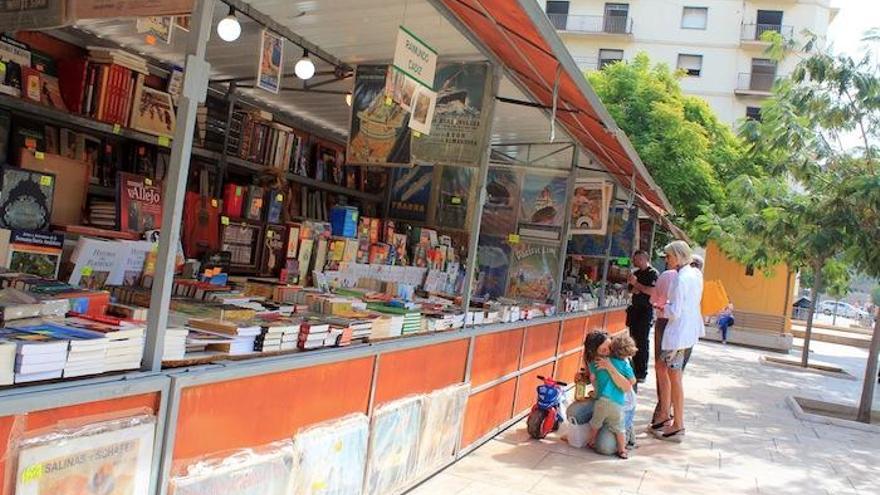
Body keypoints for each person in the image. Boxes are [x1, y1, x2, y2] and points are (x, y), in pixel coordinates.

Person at [654, 240, 704, 442]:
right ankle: (667, 414)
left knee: (673, 376)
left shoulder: (680, 279)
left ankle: (677, 423)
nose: (667, 260)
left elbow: (674, 311)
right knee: (665, 370)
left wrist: (662, 309)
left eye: (668, 256)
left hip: (677, 334)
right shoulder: (695, 274)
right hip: (688, 331)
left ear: (678, 255)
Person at [584, 331, 637, 459]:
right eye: (603, 350)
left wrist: (609, 368)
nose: (607, 351)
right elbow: (633, 381)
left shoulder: (615, 361)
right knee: (618, 428)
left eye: (609, 348)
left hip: (618, 404)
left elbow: (627, 386)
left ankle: (591, 441)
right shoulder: (618, 362)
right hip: (616, 402)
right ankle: (622, 450)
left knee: (599, 433)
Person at [649, 258, 677, 432]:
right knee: (675, 371)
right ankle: (669, 410)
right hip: (683, 329)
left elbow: (655, 301)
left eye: (668, 256)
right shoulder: (694, 279)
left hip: (665, 322)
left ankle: (662, 412)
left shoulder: (667, 276)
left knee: (661, 368)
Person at [626, 250, 658, 383]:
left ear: (644, 259)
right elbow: (631, 290)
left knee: (642, 341)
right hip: (635, 310)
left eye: (637, 259)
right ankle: (633, 368)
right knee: (633, 339)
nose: (635, 262)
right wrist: (636, 288)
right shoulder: (636, 273)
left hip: (645, 311)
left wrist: (637, 285)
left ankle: (641, 371)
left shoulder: (653, 274)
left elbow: (651, 291)